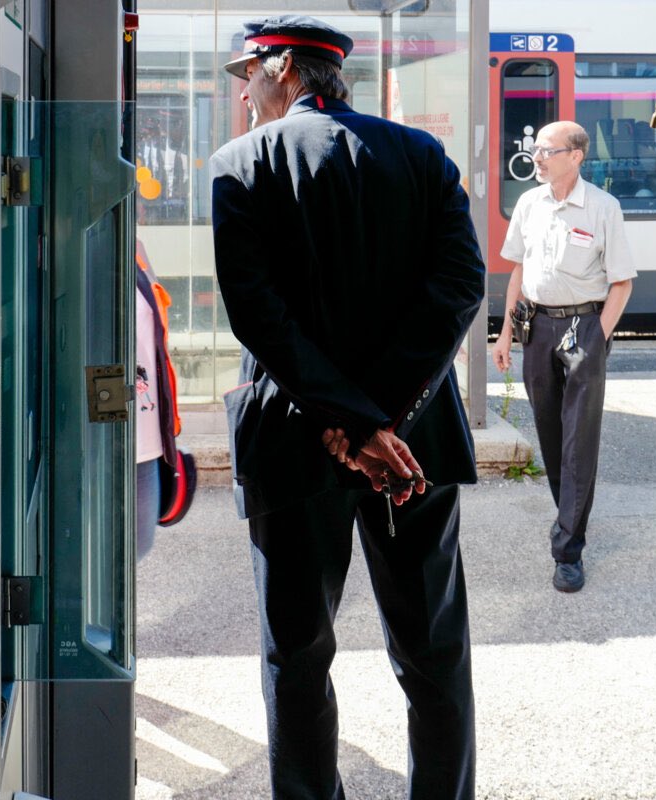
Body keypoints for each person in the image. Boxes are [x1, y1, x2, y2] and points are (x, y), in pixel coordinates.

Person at [209, 16, 484, 798]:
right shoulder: (421, 156)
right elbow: (460, 289)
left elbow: (258, 315)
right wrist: (384, 419)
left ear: (285, 70)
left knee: (295, 654)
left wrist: (349, 420)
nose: (245, 92)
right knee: (433, 648)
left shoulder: (240, 164)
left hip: (296, 444)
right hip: (412, 446)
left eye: (248, 75)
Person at [490, 120, 636, 593]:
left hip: (582, 328)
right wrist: (506, 331)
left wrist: (597, 340)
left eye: (547, 150)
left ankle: (568, 550)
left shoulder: (602, 208)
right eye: (536, 149)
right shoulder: (530, 204)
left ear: (575, 156)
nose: (537, 157)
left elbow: (622, 282)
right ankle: (569, 516)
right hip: (536, 327)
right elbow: (518, 271)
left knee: (578, 441)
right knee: (551, 436)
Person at [135, 239, 181, 561]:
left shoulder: (135, 248)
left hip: (147, 439)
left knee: (139, 545)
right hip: (103, 437)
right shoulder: (85, 242)